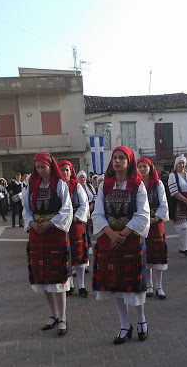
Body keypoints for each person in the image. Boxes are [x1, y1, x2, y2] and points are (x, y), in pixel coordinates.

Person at [92, 146, 150, 344]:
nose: (117, 161)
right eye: (115, 158)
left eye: (121, 158)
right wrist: (110, 233)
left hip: (130, 239)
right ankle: (124, 324)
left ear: (129, 162)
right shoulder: (104, 185)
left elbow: (142, 213)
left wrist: (124, 233)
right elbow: (98, 213)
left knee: (133, 284)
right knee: (115, 284)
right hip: (109, 241)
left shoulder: (137, 185)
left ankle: (141, 320)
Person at [23, 153, 72, 335]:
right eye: (37, 167)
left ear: (51, 166)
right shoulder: (32, 185)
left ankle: (63, 317)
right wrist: (32, 223)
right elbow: (26, 209)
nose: (40, 170)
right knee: (42, 277)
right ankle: (53, 315)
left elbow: (66, 208)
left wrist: (51, 223)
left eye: (43, 166)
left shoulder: (60, 184)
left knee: (57, 277)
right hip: (37, 234)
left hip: (55, 234)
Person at [138, 157, 169, 299]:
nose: (142, 169)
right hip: (142, 223)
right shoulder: (136, 184)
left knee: (158, 255)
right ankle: (149, 285)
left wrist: (156, 218)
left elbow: (163, 202)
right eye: (140, 166)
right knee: (146, 254)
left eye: (145, 166)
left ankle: (160, 286)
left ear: (150, 168)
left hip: (156, 223)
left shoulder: (158, 184)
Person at [58, 161, 90, 296]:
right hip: (61, 225)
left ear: (71, 171)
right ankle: (69, 284)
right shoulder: (56, 186)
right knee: (65, 255)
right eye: (62, 170)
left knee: (79, 255)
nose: (65, 172)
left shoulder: (77, 186)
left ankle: (82, 285)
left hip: (75, 224)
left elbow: (84, 203)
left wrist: (76, 217)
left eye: (67, 170)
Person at [168, 154, 187, 256]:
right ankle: (185, 248)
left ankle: (182, 247)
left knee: (186, 225)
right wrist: (185, 200)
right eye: (180, 163)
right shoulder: (173, 175)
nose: (182, 164)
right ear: (176, 164)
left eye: (183, 162)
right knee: (183, 226)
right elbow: (174, 191)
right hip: (178, 202)